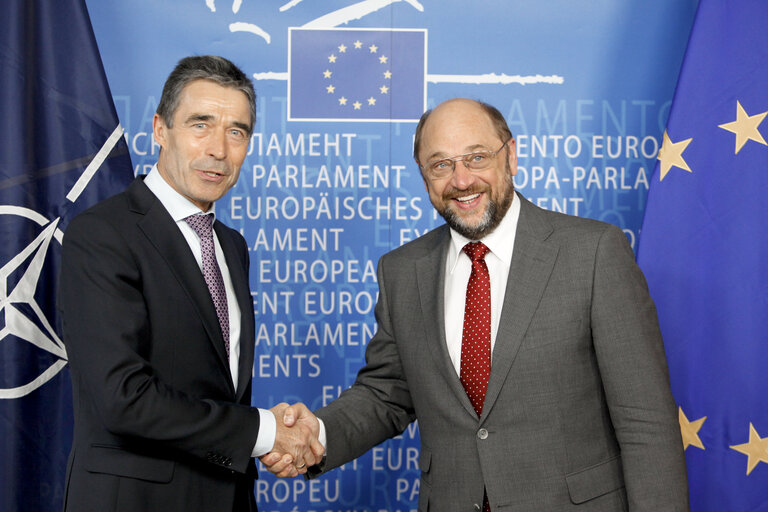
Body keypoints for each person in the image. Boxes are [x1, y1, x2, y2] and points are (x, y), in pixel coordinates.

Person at [264, 98, 689, 511]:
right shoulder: (401, 271)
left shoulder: (593, 253)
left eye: (477, 157)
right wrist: (315, 432)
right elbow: (387, 394)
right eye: (441, 164)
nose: (462, 180)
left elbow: (645, 423)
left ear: (511, 156)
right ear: (424, 175)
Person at [59, 55, 322, 512]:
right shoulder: (102, 234)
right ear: (160, 129)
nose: (219, 149)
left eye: (237, 131)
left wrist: (268, 429)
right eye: (200, 124)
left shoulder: (232, 246)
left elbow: (213, 389)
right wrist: (263, 431)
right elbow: (123, 398)